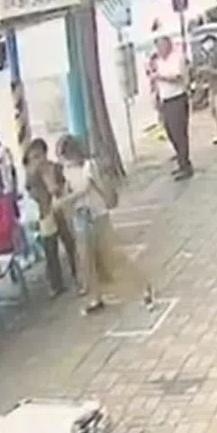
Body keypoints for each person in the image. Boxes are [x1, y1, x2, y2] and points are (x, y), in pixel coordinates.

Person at [55, 134, 155, 316]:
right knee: (87, 261)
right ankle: (96, 298)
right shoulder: (66, 171)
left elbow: (86, 189)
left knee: (114, 258)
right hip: (80, 218)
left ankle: (143, 287)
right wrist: (66, 205)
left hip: (97, 215)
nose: (66, 160)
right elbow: (68, 191)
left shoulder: (88, 167)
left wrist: (66, 201)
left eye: (67, 155)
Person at [23, 137, 79, 297]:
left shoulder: (55, 168)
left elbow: (63, 187)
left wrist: (55, 189)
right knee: (50, 250)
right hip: (45, 214)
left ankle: (78, 273)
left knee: (69, 242)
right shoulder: (32, 176)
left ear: (45, 154)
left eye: (39, 156)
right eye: (34, 157)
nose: (37, 160)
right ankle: (56, 284)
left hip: (59, 211)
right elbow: (30, 192)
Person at [151, 34, 194, 180]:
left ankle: (186, 165)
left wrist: (160, 77)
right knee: (170, 132)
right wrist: (156, 97)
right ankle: (181, 160)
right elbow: (157, 83)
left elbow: (178, 78)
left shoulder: (177, 58)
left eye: (162, 46)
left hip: (177, 98)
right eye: (158, 47)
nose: (160, 49)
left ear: (168, 45)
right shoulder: (158, 61)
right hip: (166, 100)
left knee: (179, 133)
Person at [0, 117, 27, 255]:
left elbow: (10, 172)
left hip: (6, 191)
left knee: (11, 223)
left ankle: (21, 249)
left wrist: (12, 190)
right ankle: (6, 249)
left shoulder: (4, 151)